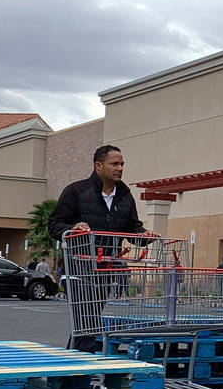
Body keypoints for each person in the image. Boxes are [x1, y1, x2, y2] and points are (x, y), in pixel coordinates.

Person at [48, 144, 151, 352]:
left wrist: (144, 236)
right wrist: (73, 228)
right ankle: (81, 371)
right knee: (87, 320)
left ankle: (75, 369)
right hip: (79, 268)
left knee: (87, 323)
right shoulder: (76, 192)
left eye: (122, 164)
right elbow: (54, 225)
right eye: (114, 163)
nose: (120, 168)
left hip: (105, 269)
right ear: (98, 166)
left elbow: (132, 228)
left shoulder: (125, 196)